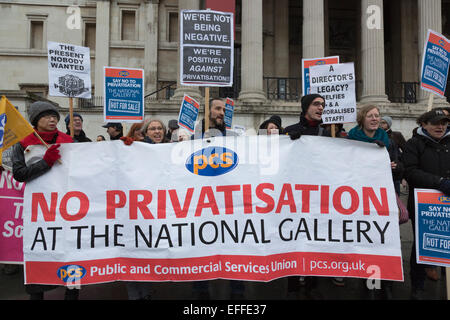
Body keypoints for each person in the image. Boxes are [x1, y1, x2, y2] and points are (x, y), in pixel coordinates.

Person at [11, 101, 78, 300]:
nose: (52, 119)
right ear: (35, 120)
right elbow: (19, 174)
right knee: (40, 251)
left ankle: (72, 293)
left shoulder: (69, 141)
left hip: (68, 207)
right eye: (46, 116)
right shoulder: (23, 143)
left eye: (54, 116)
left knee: (71, 251)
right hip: (40, 210)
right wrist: (45, 162)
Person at [347, 105, 404, 299]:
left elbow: (400, 168)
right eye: (370, 116)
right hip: (359, 197)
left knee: (384, 240)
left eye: (377, 116)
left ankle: (385, 282)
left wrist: (394, 167)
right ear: (362, 119)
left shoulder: (388, 140)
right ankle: (368, 281)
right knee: (366, 240)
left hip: (383, 196)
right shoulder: (351, 140)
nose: (374, 119)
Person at [284, 94, 331, 298]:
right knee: (294, 240)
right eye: (316, 104)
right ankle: (293, 284)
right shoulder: (289, 131)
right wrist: (287, 141)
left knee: (315, 241)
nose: (321, 107)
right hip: (294, 198)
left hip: (320, 197)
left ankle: (312, 284)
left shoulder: (331, 133)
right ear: (305, 107)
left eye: (323, 105)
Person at [402, 109, 450, 299]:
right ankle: (418, 285)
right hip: (424, 204)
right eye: (436, 123)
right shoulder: (414, 144)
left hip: (447, 202)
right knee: (423, 245)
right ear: (423, 124)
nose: (440, 126)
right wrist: (439, 182)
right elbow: (411, 172)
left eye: (444, 123)